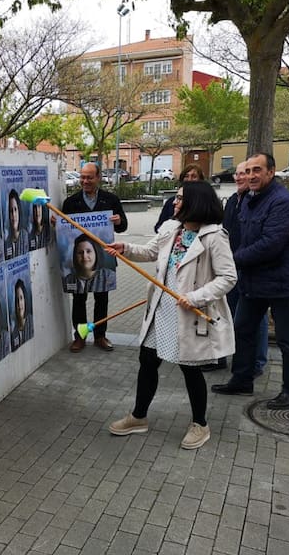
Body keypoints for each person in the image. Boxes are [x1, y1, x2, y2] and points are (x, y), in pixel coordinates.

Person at [106, 181, 236, 449]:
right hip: (162, 308)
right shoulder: (171, 228)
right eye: (176, 198)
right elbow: (150, 252)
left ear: (196, 203)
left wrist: (196, 297)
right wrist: (125, 248)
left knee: (189, 368)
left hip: (190, 312)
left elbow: (228, 277)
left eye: (179, 198)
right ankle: (138, 417)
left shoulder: (214, 236)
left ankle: (200, 424)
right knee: (147, 360)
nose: (174, 203)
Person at [211, 152, 289, 409]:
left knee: (288, 339)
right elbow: (243, 237)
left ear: (271, 172)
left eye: (257, 170)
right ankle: (242, 380)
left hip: (281, 283)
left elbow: (270, 245)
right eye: (248, 170)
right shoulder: (250, 199)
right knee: (243, 329)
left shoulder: (282, 202)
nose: (251, 175)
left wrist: (232, 261)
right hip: (254, 280)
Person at [200, 162, 268, 373]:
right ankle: (221, 357)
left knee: (255, 318)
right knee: (224, 312)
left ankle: (256, 363)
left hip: (248, 267)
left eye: (244, 173)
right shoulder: (232, 200)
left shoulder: (256, 201)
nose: (239, 177)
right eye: (237, 174)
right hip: (229, 265)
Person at [62, 162, 128, 352]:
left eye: (89, 177)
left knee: (102, 298)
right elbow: (63, 229)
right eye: (82, 177)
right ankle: (80, 337)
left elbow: (123, 227)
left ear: (98, 178)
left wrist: (119, 221)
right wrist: (56, 222)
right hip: (79, 261)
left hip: (103, 257)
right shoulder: (71, 202)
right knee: (79, 299)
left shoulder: (110, 200)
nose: (85, 181)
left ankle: (100, 336)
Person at [154, 163, 206, 233]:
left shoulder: (205, 202)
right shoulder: (171, 202)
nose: (189, 179)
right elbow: (158, 226)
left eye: (194, 176)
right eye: (186, 176)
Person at [4, 189, 29, 259]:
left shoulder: (25, 236)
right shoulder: (6, 242)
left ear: (19, 211)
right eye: (11, 211)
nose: (13, 214)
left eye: (15, 209)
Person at [10, 278, 34, 351]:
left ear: (25, 299)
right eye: (17, 300)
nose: (19, 303)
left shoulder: (31, 321)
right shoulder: (13, 331)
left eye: (21, 298)